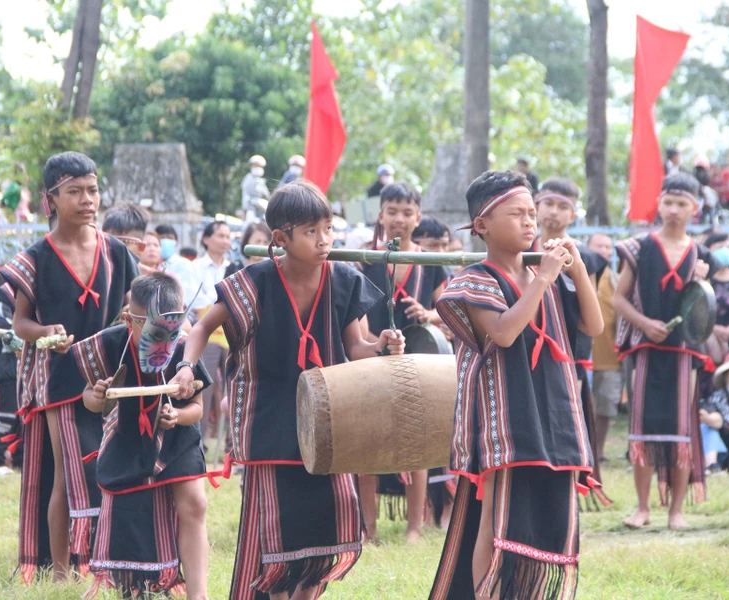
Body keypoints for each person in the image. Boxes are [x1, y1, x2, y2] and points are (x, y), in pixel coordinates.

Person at [170, 181, 404, 600]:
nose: (324, 239)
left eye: (328, 228)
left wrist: (382, 346)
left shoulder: (344, 279)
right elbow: (202, 327)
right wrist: (187, 365)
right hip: (269, 422)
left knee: (326, 529)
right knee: (281, 538)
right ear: (281, 238)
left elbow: (356, 349)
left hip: (329, 422)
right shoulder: (254, 281)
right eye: (311, 231)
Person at [429, 170, 602, 600]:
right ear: (482, 225)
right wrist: (543, 278)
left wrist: (575, 269)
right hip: (503, 420)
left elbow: (594, 325)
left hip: (551, 417)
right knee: (494, 523)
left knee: (541, 522)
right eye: (517, 214)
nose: (530, 223)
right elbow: (503, 333)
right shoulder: (473, 280)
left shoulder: (549, 276)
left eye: (532, 214)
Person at [2, 151, 139, 582]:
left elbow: (132, 309)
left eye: (92, 190)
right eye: (74, 191)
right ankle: (60, 573)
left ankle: (105, 562)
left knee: (109, 467)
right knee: (68, 474)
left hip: (112, 378)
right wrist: (44, 331)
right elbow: (20, 323)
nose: (86, 199)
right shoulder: (36, 257)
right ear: (51, 200)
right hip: (60, 380)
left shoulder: (117, 252)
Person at [74, 272, 213, 598]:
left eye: (173, 326)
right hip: (126, 437)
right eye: (153, 329)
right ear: (129, 319)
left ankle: (199, 594)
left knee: (195, 503)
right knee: (128, 512)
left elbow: (197, 408)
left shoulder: (183, 350)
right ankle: (135, 587)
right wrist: (97, 395)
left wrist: (176, 415)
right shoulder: (109, 343)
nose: (164, 337)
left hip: (178, 437)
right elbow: (91, 402)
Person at [612, 172, 721, 531]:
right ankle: (642, 509)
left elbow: (703, 308)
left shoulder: (701, 254)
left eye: (681, 203)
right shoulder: (639, 247)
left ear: (695, 208)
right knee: (642, 426)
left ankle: (676, 511)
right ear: (659, 205)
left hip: (684, 352)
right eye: (668, 202)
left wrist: (702, 279)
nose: (673, 209)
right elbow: (618, 298)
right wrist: (644, 323)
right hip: (645, 348)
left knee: (681, 428)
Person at [360, 182, 449, 544]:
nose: (399, 219)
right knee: (365, 442)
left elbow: (449, 310)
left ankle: (415, 527)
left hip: (419, 362)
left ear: (418, 217)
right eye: (392, 212)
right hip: (370, 358)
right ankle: (368, 528)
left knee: (417, 442)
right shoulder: (362, 259)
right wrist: (367, 343)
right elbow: (352, 312)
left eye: (407, 212)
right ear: (380, 215)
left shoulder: (431, 263)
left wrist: (427, 313)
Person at [533, 178, 610, 507]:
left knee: (564, 425)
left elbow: (588, 315)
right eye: (548, 204)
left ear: (574, 214)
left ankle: (565, 495)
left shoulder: (586, 259)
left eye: (562, 206)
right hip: (527, 351)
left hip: (569, 357)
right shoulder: (518, 249)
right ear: (535, 206)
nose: (553, 212)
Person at [190, 221, 231, 441]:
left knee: (234, 385)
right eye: (220, 236)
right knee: (203, 387)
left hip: (231, 334)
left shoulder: (233, 267)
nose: (225, 241)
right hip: (206, 334)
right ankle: (200, 441)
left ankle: (232, 444)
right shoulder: (195, 267)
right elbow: (195, 300)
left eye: (228, 236)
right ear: (206, 239)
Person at [587, 233, 620, 464]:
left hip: (609, 355)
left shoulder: (615, 280)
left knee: (606, 406)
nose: (604, 251)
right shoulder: (579, 275)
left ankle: (598, 451)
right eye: (599, 246)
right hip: (581, 356)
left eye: (608, 247)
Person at [0, 274, 23, 474]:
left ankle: (20, 460)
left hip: (26, 370)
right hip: (8, 371)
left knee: (24, 418)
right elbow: (9, 333)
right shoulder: (2, 307)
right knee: (6, 415)